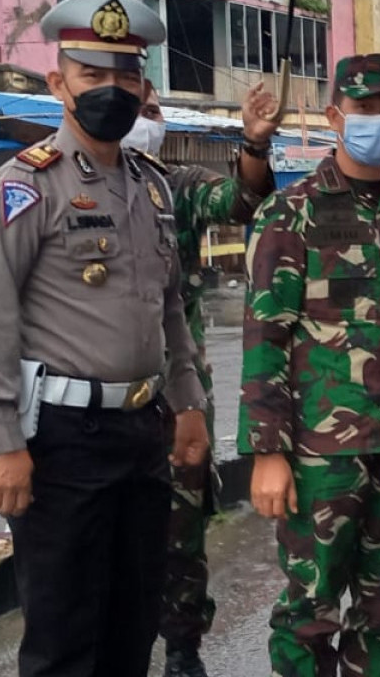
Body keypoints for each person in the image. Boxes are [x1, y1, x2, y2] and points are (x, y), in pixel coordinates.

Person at [0, 0, 211, 677]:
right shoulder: (23, 188)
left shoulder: (149, 188)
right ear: (57, 82)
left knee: (131, 626)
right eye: (92, 75)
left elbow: (170, 309)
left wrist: (187, 405)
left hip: (141, 432)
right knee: (66, 637)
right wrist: (0, 442)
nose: (111, 90)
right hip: (61, 439)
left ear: (145, 87)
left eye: (126, 76)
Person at [240, 53, 380, 677]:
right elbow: (265, 335)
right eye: (367, 109)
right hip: (320, 451)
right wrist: (267, 452)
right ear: (336, 115)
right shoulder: (291, 212)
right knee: (309, 611)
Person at [126, 86, 280, 677]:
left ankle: (183, 648)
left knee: (183, 523)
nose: (143, 119)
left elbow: (243, 199)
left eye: (151, 109)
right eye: (135, 107)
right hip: (91, 397)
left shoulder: (175, 187)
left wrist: (254, 142)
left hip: (178, 389)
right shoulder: (55, 182)